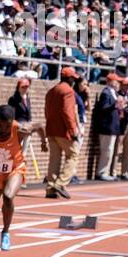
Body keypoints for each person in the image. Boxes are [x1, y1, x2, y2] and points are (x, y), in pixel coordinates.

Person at [0, 104, 47, 253]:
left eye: (7, 125)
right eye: (0, 124)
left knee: (8, 196)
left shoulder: (19, 129)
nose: (3, 129)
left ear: (12, 122)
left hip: (15, 169)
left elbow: (39, 126)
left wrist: (44, 142)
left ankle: (5, 232)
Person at [43, 66, 79, 199]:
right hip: (63, 131)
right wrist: (72, 129)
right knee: (73, 155)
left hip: (51, 129)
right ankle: (61, 183)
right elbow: (68, 112)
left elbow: (46, 111)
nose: (74, 81)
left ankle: (50, 188)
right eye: (73, 78)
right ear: (68, 78)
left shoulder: (51, 91)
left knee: (54, 160)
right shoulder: (68, 91)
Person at [92, 72, 122, 181]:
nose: (118, 83)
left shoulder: (114, 93)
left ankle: (106, 171)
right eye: (116, 81)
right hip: (107, 126)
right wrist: (115, 104)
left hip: (113, 126)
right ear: (110, 81)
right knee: (106, 150)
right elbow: (104, 108)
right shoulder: (106, 93)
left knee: (110, 151)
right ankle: (101, 172)